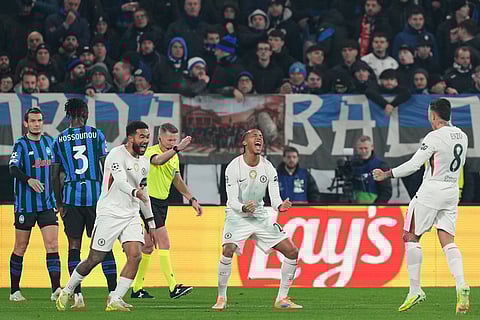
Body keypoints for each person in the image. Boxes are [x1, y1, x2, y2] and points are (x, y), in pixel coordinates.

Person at [373, 98, 471, 314]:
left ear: (434, 116)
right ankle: (461, 283)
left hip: (432, 190)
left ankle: (415, 290)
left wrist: (387, 174)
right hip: (451, 190)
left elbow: (414, 165)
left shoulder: (433, 137)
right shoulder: (462, 136)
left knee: (411, 236)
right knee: (447, 240)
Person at [56, 121, 160, 311]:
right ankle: (68, 290)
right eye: (142, 137)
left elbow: (145, 195)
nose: (145, 141)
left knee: (135, 255)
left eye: (147, 137)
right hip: (109, 213)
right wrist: (136, 193)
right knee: (94, 258)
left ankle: (115, 299)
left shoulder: (145, 163)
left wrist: (151, 223)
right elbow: (120, 182)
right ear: (130, 138)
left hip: (131, 214)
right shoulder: (115, 155)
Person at [212, 128, 301, 310]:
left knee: (292, 251)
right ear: (245, 142)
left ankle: (282, 299)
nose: (259, 138)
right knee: (228, 249)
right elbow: (231, 200)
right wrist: (243, 207)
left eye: (261, 136)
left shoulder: (268, 167)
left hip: (259, 215)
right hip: (237, 215)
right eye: (254, 136)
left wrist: (280, 206)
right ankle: (221, 298)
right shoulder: (233, 167)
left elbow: (275, 199)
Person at [50, 98, 118, 308]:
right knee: (104, 246)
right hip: (96, 198)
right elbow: (107, 167)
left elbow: (54, 175)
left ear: (68, 115)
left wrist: (59, 203)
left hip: (71, 198)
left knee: (74, 246)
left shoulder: (59, 140)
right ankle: (113, 294)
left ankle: (77, 296)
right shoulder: (96, 135)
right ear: (85, 113)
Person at [131, 123, 200, 299]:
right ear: (160, 138)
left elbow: (177, 179)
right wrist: (178, 148)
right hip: (149, 202)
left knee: (147, 247)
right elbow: (158, 160)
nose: (172, 142)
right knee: (164, 243)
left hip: (163, 203)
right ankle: (173, 287)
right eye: (169, 139)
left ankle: (136, 289)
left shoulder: (174, 156)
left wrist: (191, 198)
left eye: (174, 140)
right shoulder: (150, 151)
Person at [8, 108, 61, 302]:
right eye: (32, 121)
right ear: (26, 123)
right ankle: (14, 291)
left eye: (39, 120)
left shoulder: (50, 143)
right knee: (21, 246)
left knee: (53, 245)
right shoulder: (20, 145)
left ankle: (56, 289)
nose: (36, 124)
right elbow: (13, 168)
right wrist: (28, 179)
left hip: (47, 204)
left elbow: (58, 170)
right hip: (25, 205)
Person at [352, 135, 392, 204]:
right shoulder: (352, 164)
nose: (363, 151)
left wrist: (376, 206)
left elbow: (386, 191)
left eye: (366, 148)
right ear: (357, 148)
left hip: (373, 207)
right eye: (360, 148)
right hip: (353, 206)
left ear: (372, 147)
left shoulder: (381, 165)